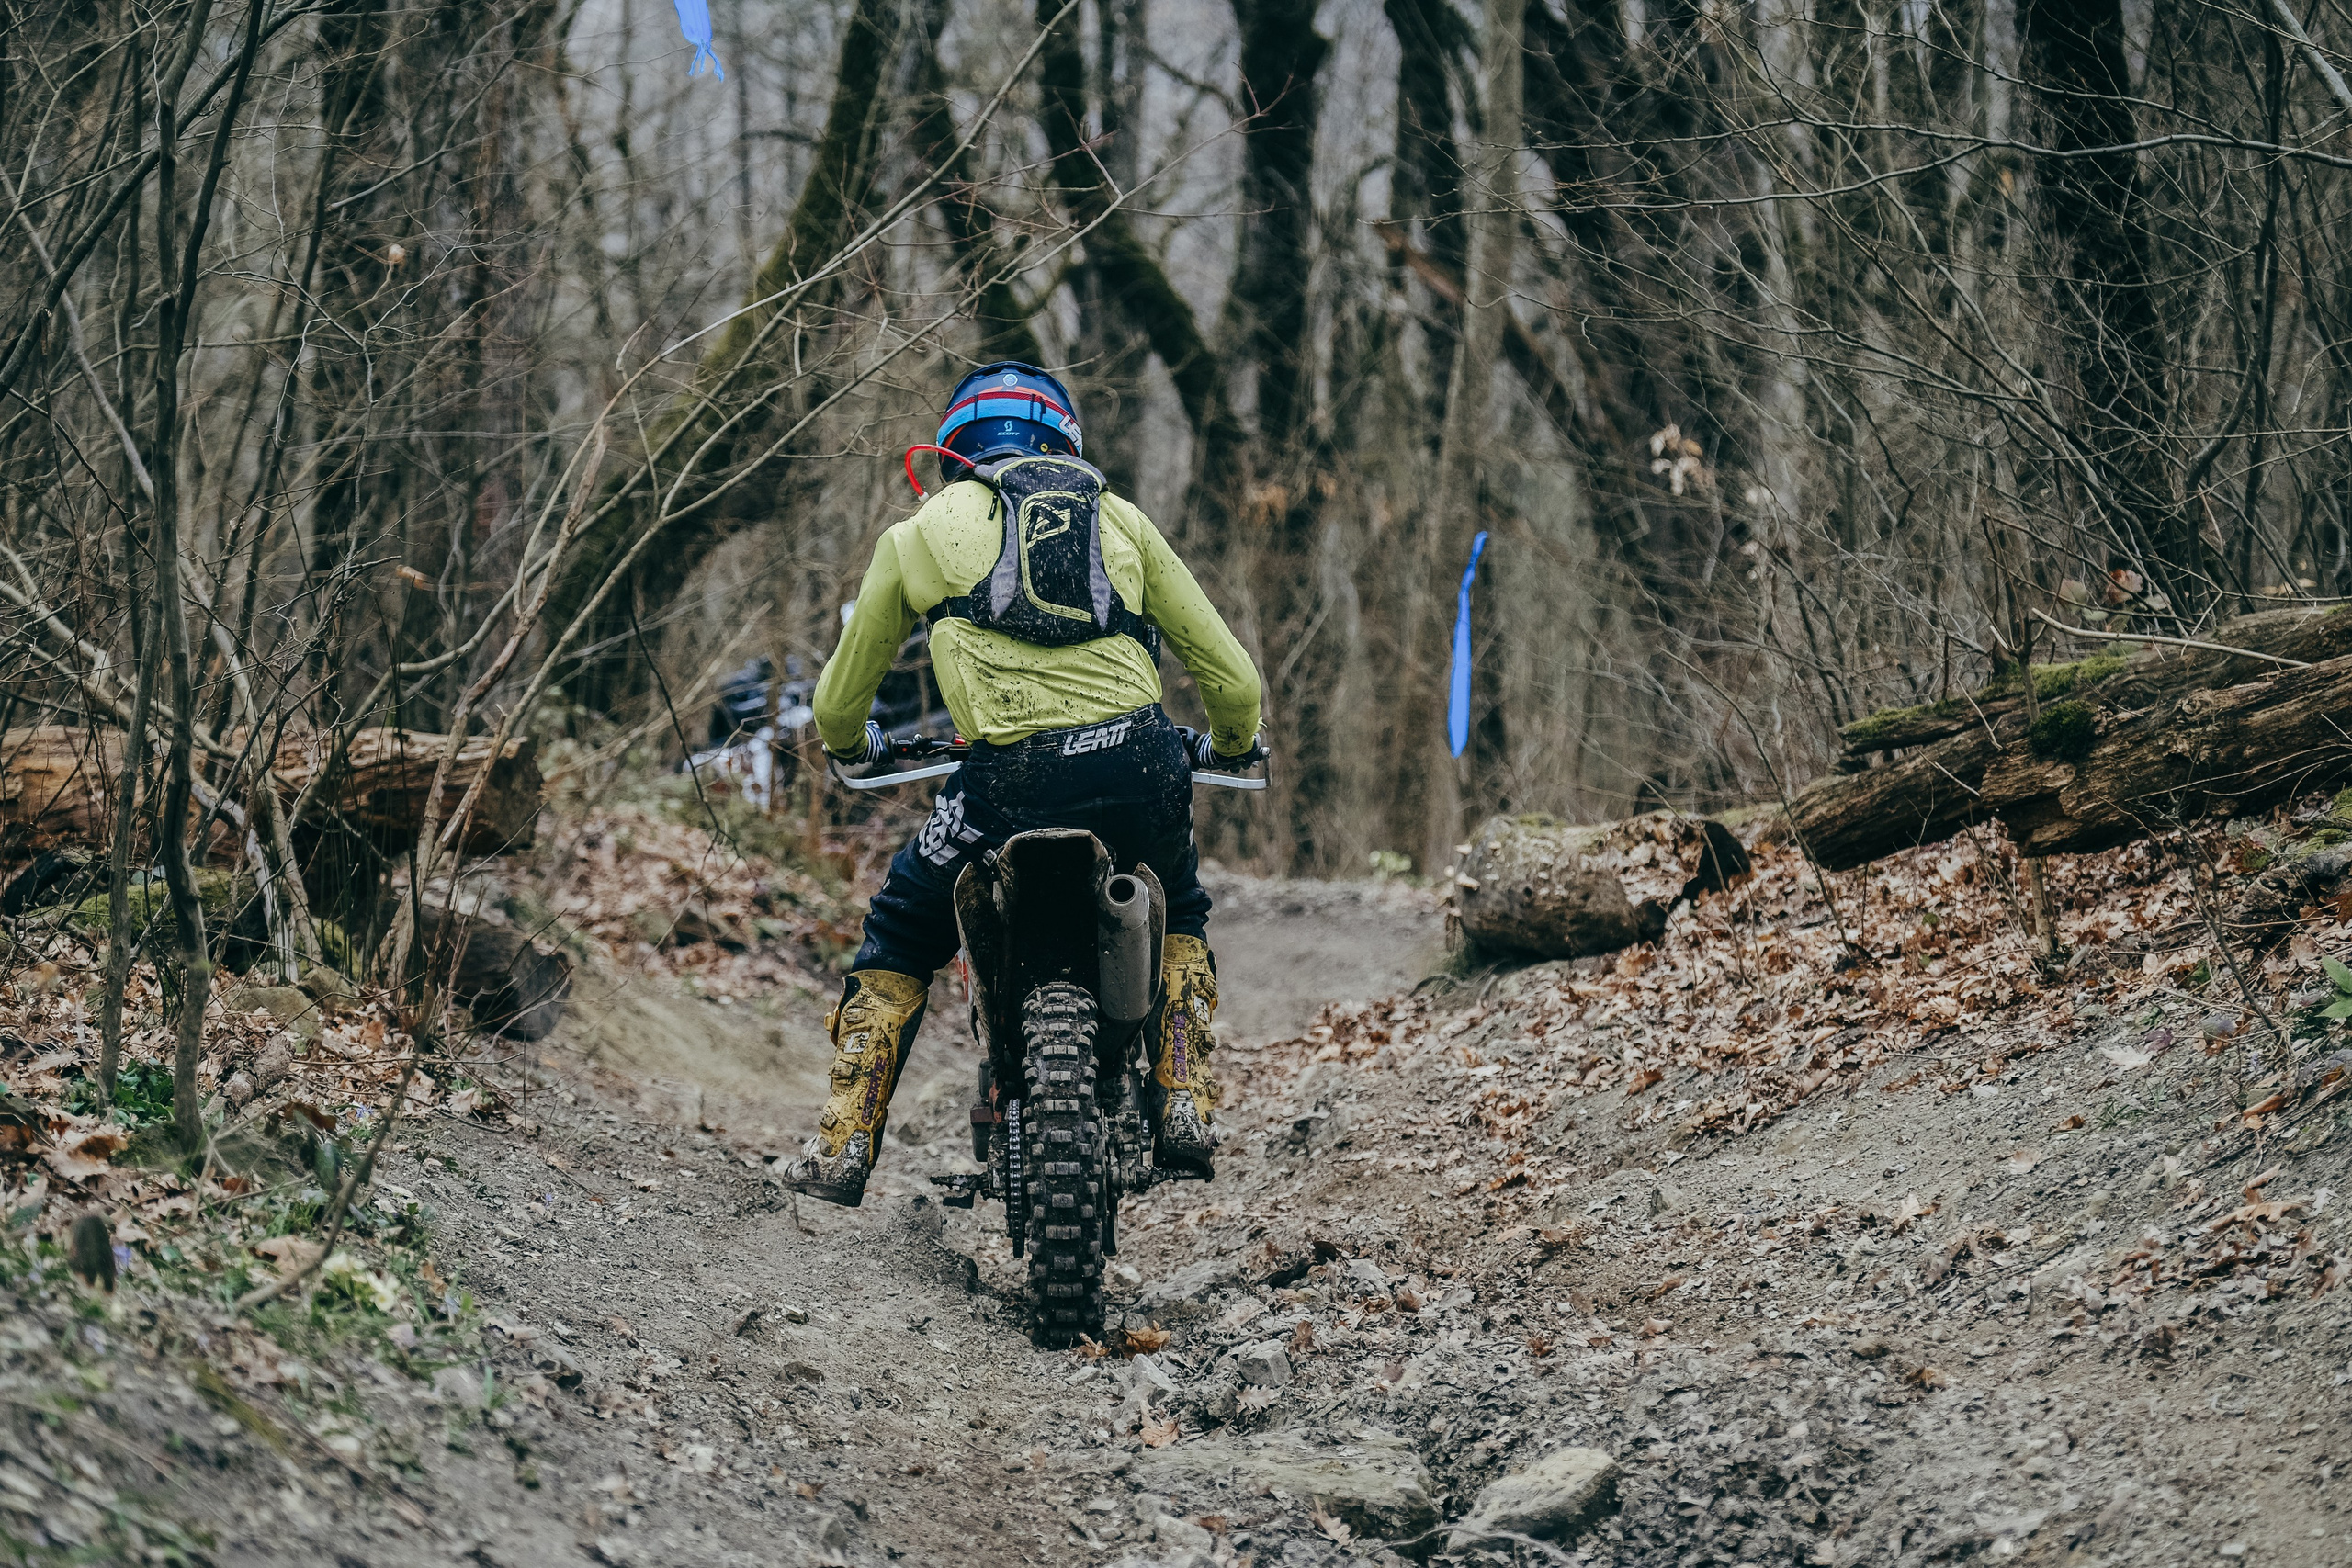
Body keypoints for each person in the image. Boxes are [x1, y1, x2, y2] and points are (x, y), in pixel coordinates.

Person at [780, 362, 1265, 1208]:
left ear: (952, 451)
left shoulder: (919, 532)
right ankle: (1183, 1099)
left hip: (1007, 780)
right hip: (1141, 765)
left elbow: (835, 705)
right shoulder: (1124, 521)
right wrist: (1229, 744)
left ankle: (843, 1146)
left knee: (900, 930)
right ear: (1067, 441)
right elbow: (1236, 684)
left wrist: (856, 746)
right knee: (1179, 906)